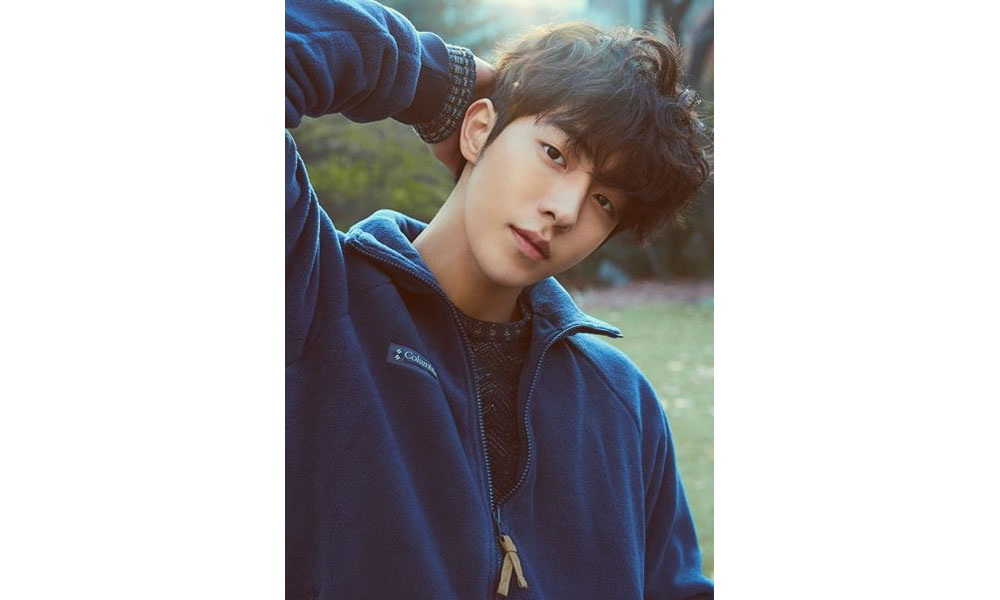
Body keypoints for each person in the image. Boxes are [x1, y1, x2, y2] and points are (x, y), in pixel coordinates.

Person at [285, 0, 713, 597]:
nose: (565, 210)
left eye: (605, 201)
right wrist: (435, 84)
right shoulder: (310, 294)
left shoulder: (622, 404)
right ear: (479, 129)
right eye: (555, 153)